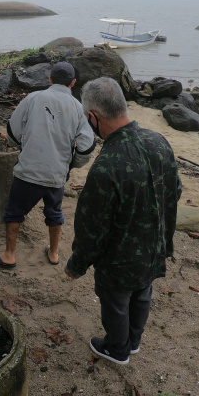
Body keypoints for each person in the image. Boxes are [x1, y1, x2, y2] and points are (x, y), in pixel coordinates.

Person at [64, 77, 181, 365]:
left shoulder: (107, 165)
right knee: (143, 293)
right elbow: (175, 190)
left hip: (120, 260)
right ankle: (134, 342)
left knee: (116, 303)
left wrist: (76, 265)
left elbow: (92, 227)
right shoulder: (159, 141)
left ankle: (118, 350)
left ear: (93, 117)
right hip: (155, 246)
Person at [0, 61, 96, 269]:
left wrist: (21, 143)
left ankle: (10, 254)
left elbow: (12, 133)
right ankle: (54, 252)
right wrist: (70, 165)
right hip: (56, 174)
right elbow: (86, 148)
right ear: (73, 83)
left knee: (14, 212)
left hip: (28, 171)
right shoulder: (78, 108)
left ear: (49, 79)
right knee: (54, 212)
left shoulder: (33, 98)